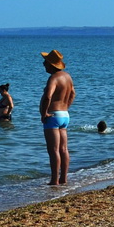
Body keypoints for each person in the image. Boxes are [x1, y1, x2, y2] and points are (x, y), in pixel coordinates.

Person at [40, 50, 75, 186]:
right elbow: (73, 93)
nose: (43, 64)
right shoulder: (67, 77)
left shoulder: (54, 78)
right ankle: (64, 178)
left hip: (53, 116)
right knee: (64, 149)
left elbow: (48, 96)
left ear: (51, 64)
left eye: (45, 62)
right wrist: (66, 106)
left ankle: (54, 180)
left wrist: (44, 113)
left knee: (53, 150)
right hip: (64, 115)